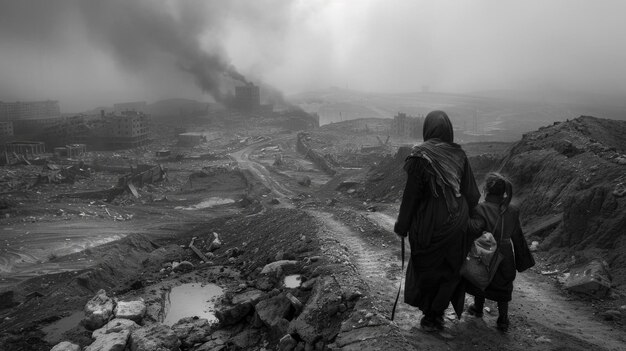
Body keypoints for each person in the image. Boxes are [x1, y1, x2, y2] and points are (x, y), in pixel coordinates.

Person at [394, 110, 480, 331]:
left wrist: (402, 226)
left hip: (427, 226)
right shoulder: (459, 156)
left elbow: (411, 196)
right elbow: (471, 194)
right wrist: (472, 221)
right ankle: (436, 313)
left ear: (427, 129)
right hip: (456, 223)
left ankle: (429, 314)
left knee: (427, 268)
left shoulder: (418, 156)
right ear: (449, 130)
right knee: (450, 270)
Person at [465, 172, 535, 332]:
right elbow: (517, 236)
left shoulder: (480, 209)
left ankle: (478, 307)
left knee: (480, 277)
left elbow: (474, 229)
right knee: (504, 285)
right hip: (505, 253)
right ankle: (503, 319)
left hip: (485, 249)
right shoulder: (512, 210)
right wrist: (523, 260)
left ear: (486, 190)